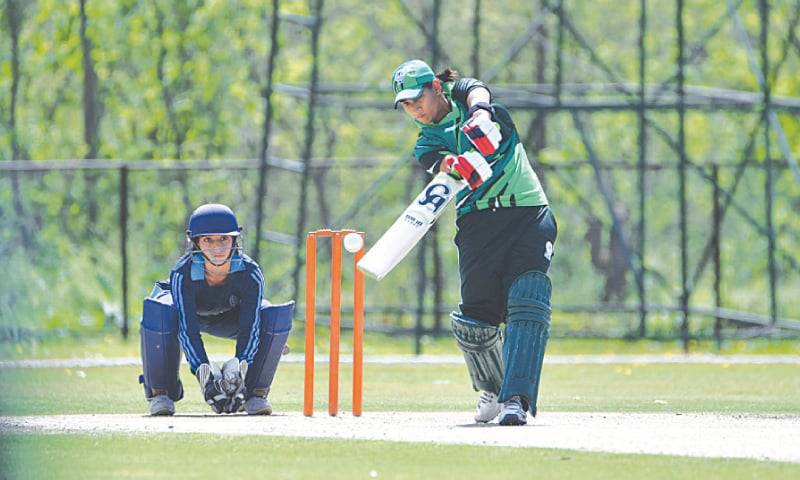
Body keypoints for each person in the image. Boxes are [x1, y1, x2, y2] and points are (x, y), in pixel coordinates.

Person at [391, 59, 557, 425]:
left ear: (436, 87)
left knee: (526, 298)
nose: (414, 109)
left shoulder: (474, 101)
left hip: (527, 211)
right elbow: (439, 162)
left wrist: (482, 115)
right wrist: (456, 164)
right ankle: (494, 389)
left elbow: (475, 90)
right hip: (477, 221)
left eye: (418, 98)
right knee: (476, 318)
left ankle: (516, 399)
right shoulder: (426, 142)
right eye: (406, 104)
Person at [139, 203, 294, 416]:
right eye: (208, 240)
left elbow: (250, 328)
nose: (217, 247)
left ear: (234, 240)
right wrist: (204, 374)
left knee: (271, 315)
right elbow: (187, 330)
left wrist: (241, 367)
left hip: (228, 318)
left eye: (223, 239)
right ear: (196, 242)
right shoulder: (182, 273)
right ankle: (161, 393)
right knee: (159, 310)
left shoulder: (251, 273)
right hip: (187, 317)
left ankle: (254, 394)